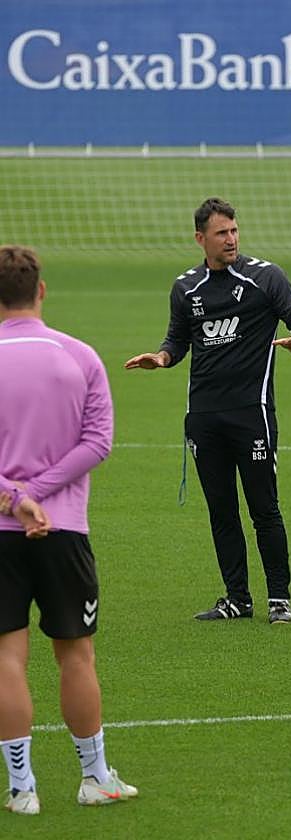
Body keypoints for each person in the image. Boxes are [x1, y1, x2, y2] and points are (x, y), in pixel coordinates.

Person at [124, 198, 291, 624]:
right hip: (204, 418)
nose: (231, 239)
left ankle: (279, 598)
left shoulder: (265, 278)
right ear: (201, 238)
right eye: (221, 233)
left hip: (251, 414)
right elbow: (177, 340)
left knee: (264, 508)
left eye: (234, 231)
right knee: (222, 511)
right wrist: (162, 358)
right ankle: (237, 599)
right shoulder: (186, 288)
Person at [0, 245, 138, 816]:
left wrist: (15, 499)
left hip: (0, 533)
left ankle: (21, 789)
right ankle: (95, 778)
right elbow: (97, 443)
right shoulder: (80, 356)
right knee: (76, 656)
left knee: (6, 658)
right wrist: (37, 495)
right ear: (41, 290)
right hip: (65, 531)